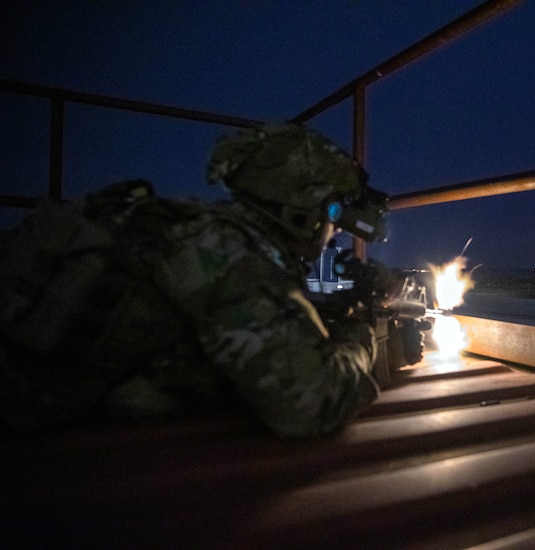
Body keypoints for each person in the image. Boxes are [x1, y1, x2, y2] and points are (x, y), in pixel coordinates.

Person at [0, 122, 385, 438]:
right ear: (302, 209)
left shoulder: (193, 223)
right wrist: (362, 340)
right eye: (334, 211)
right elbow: (310, 403)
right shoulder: (231, 253)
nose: (334, 230)